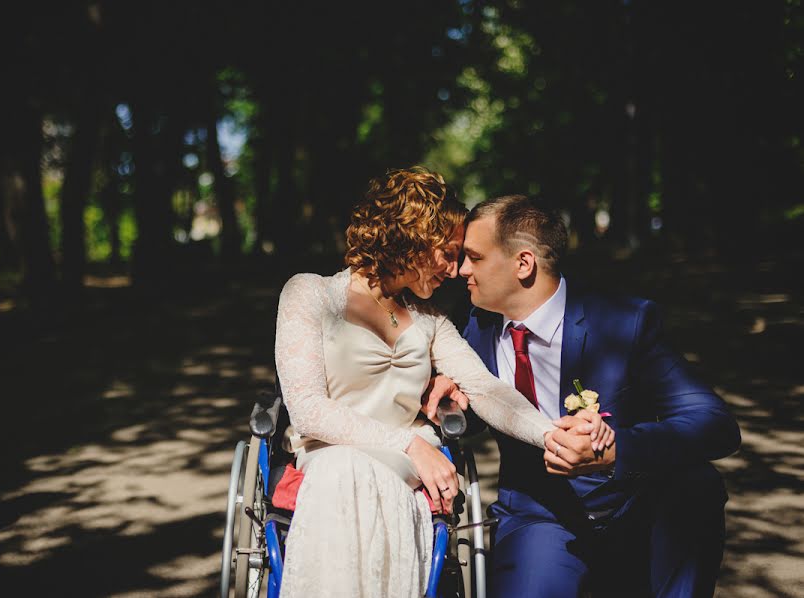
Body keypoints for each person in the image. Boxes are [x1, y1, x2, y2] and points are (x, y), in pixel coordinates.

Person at [273, 169, 610, 598]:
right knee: (346, 469)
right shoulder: (310, 295)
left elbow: (487, 389)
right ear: (411, 241)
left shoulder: (430, 321)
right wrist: (409, 444)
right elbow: (306, 408)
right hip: (333, 456)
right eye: (447, 254)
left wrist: (552, 434)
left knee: (382, 482)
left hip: (406, 470)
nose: (455, 271)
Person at [425, 194, 742, 597]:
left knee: (697, 484)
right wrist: (451, 396)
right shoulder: (475, 326)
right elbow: (478, 412)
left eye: (475, 257)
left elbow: (714, 424)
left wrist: (615, 452)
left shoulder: (624, 322)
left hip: (631, 506)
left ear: (524, 264)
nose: (460, 270)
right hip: (540, 517)